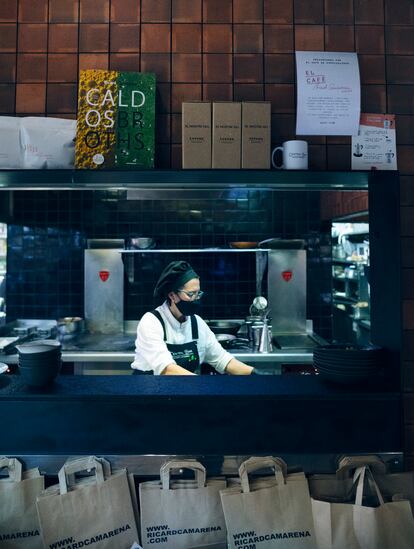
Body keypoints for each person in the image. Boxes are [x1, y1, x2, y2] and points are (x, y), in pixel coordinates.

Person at [131, 260, 256, 375]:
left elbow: (222, 359)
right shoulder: (152, 322)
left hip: (183, 391)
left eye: (198, 294)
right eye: (190, 294)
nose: (195, 299)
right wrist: (200, 385)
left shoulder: (197, 323)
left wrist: (254, 373)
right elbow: (166, 369)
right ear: (172, 295)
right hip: (150, 392)